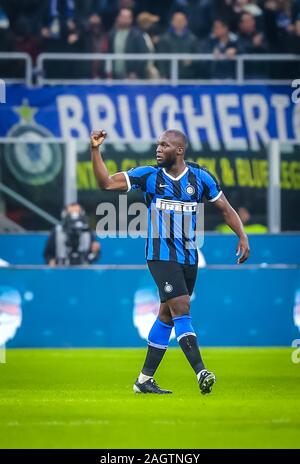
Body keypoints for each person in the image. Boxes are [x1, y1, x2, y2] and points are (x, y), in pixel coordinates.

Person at [91, 129, 250, 395]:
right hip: (160, 256)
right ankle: (201, 372)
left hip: (189, 256)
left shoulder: (201, 177)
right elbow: (106, 183)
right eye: (157, 145)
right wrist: (95, 150)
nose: (158, 149)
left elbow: (224, 208)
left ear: (179, 150)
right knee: (182, 306)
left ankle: (143, 380)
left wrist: (242, 235)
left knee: (167, 315)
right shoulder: (149, 175)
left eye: (164, 145)